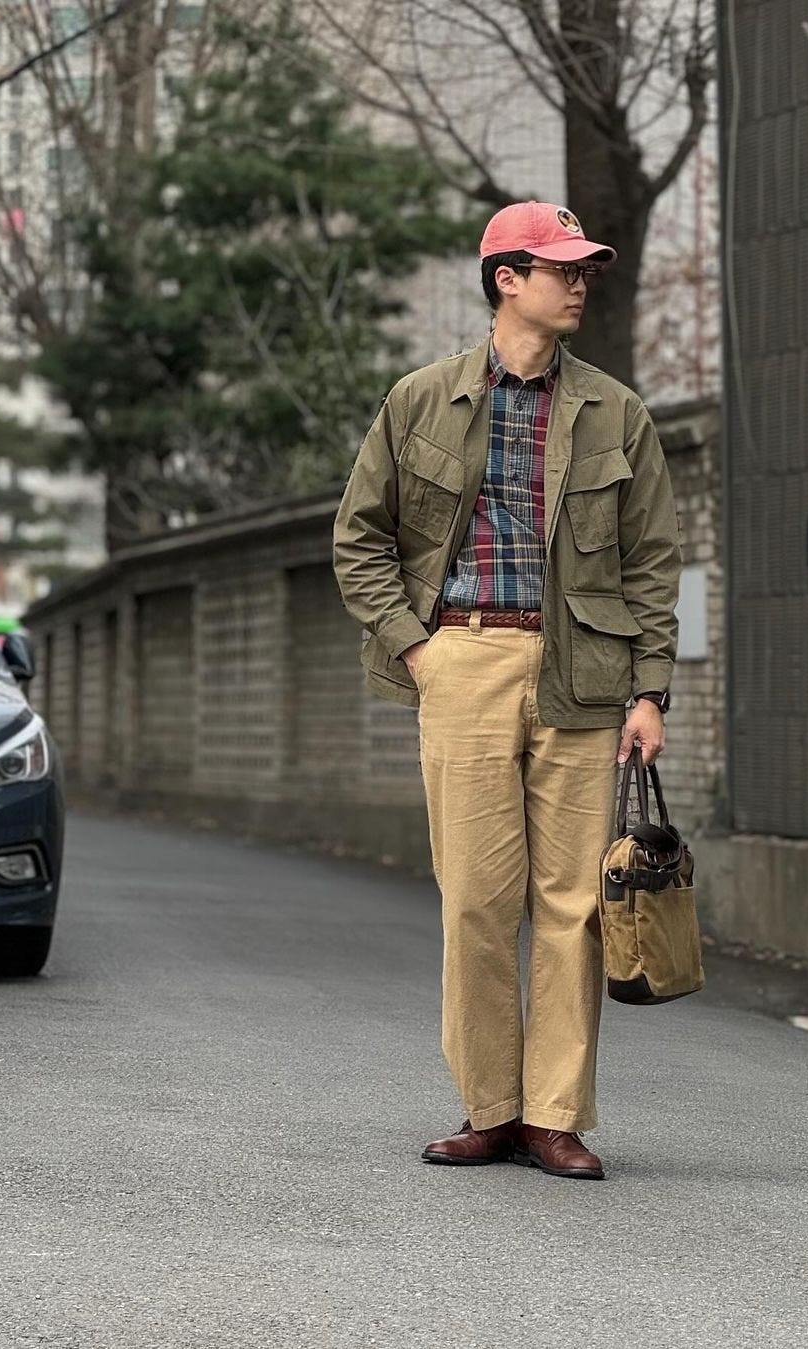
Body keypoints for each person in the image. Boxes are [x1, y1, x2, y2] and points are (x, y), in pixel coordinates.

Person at [333, 200, 680, 1180]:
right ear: (506, 278)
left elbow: (654, 560)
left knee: (572, 906)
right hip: (465, 665)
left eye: (584, 270)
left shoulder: (617, 412)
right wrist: (418, 645)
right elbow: (360, 538)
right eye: (560, 267)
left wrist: (650, 690)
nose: (578, 282)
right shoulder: (421, 400)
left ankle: (554, 1114)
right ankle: (490, 1106)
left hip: (586, 673)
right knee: (477, 901)